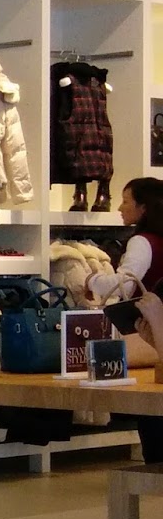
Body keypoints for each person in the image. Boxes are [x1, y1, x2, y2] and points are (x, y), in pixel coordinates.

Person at [88, 179, 163, 460]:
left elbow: (125, 283)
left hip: (147, 332)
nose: (120, 208)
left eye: (126, 201)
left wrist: (93, 280)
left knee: (150, 408)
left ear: (143, 208)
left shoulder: (142, 241)